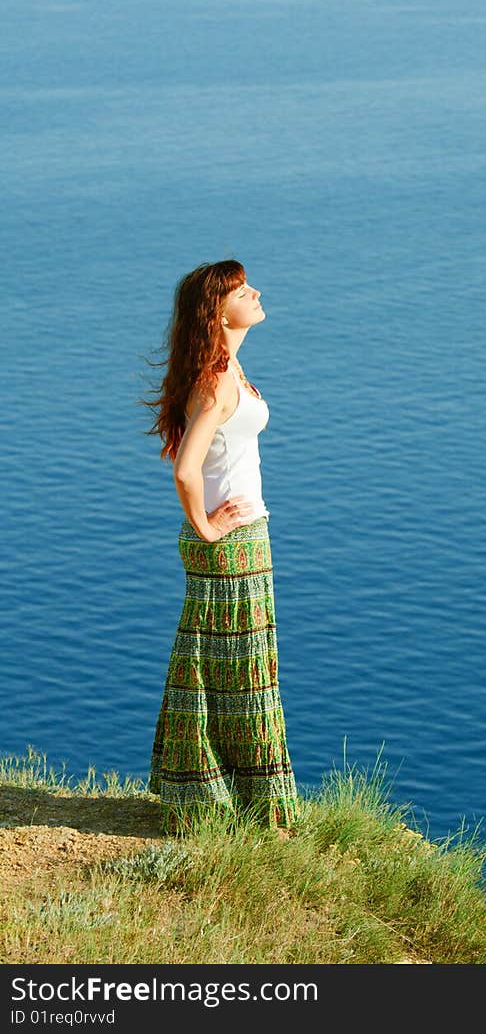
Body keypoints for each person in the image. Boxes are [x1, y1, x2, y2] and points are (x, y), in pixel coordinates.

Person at [145, 259, 297, 833]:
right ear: (218, 310)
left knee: (225, 667)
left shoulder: (227, 367)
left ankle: (214, 794)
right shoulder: (215, 382)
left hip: (242, 535)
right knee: (243, 672)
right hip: (229, 542)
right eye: (242, 290)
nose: (256, 293)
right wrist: (207, 527)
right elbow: (187, 470)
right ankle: (249, 805)